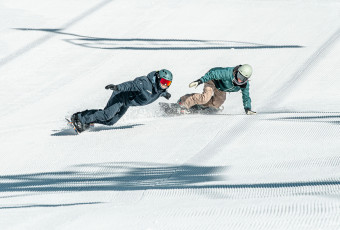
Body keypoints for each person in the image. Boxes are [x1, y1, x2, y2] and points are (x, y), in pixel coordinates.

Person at [71, 69, 173, 133]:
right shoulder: (145, 83)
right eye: (164, 81)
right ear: (158, 78)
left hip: (126, 103)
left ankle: (89, 120)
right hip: (120, 96)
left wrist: (165, 94)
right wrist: (117, 87)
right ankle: (79, 118)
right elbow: (130, 85)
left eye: (168, 83)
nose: (165, 85)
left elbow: (158, 92)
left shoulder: (160, 90)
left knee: (111, 121)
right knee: (107, 115)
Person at [178, 64, 256, 115]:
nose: (239, 79)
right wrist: (200, 81)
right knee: (205, 97)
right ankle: (184, 101)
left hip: (221, 87)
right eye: (239, 75)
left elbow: (246, 96)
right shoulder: (228, 73)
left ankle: (201, 106)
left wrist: (247, 108)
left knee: (217, 103)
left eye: (243, 78)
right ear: (237, 72)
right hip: (212, 79)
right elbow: (213, 74)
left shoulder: (244, 84)